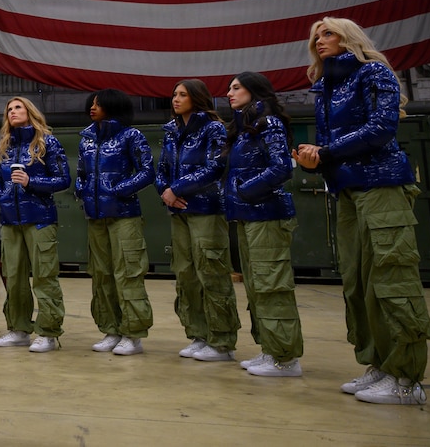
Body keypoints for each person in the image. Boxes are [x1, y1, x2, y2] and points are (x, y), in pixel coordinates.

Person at [293, 17, 430, 405]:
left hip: (382, 184)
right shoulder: (325, 85)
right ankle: (380, 364)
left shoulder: (374, 72)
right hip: (347, 189)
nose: (319, 41)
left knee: (391, 279)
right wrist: (314, 159)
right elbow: (330, 143)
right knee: (357, 282)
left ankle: (407, 380)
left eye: (328, 33)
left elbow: (381, 129)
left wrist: (326, 153)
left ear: (349, 38)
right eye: (316, 37)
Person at [225, 72, 304, 376]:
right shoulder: (245, 128)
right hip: (247, 213)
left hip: (266, 213)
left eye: (236, 88)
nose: (229, 93)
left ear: (254, 91)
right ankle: (271, 349)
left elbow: (281, 167)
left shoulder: (268, 123)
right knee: (258, 285)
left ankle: (285, 357)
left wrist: (245, 191)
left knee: (272, 284)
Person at [155, 79, 241, 361]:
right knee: (186, 274)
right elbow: (162, 169)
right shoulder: (171, 131)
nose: (176, 99)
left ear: (197, 98)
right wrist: (166, 193)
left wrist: (176, 189)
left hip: (205, 208)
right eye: (174, 94)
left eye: (183, 94)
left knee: (212, 272)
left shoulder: (213, 128)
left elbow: (215, 167)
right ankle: (199, 335)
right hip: (178, 210)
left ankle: (222, 341)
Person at [75, 89, 155, 356]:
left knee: (128, 272)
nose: (92, 106)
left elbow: (147, 171)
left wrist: (120, 189)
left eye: (98, 103)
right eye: (92, 102)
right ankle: (111, 330)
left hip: (124, 215)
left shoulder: (131, 136)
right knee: (101, 274)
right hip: (95, 216)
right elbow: (81, 172)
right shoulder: (86, 138)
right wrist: (82, 190)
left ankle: (133, 334)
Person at [0, 97, 71, 353]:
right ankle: (19, 329)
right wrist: (3, 198)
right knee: (13, 278)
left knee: (44, 277)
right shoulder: (3, 146)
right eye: (9, 109)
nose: (13, 112)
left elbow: (63, 179)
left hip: (40, 219)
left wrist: (30, 182)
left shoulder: (47, 142)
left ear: (29, 112)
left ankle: (48, 333)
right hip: (9, 222)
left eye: (18, 107)